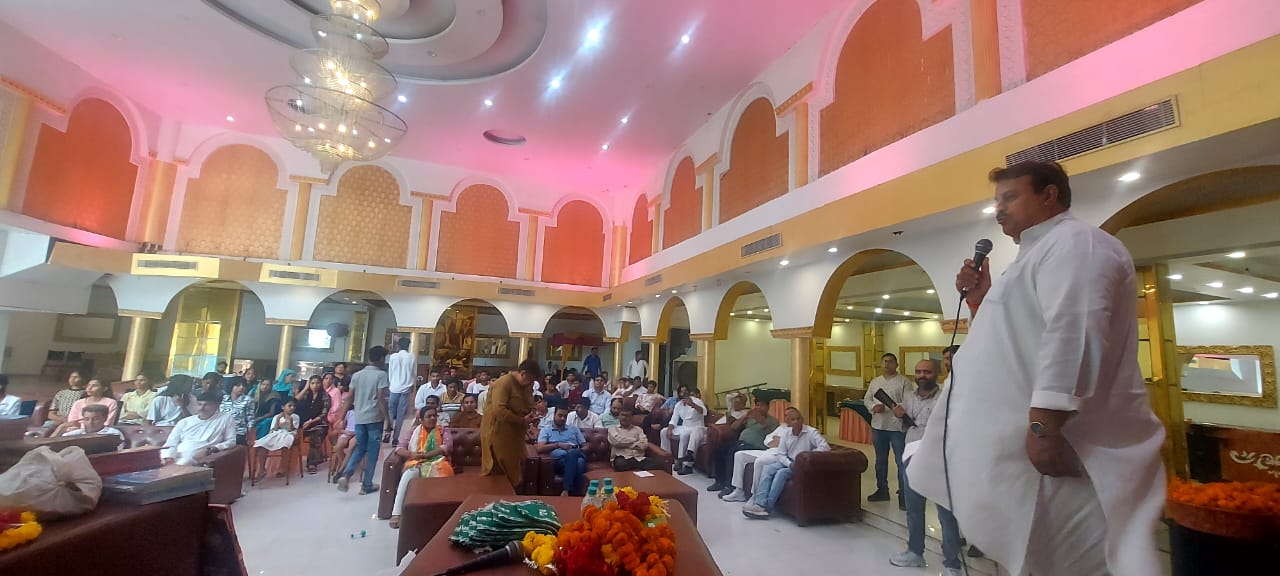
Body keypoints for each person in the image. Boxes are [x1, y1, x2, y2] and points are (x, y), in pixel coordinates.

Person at [909, 160, 1167, 576]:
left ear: (1049, 195)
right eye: (997, 200)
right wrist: (979, 300)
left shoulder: (1077, 244)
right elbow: (1013, 339)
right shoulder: (1031, 255)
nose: (999, 209)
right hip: (1024, 447)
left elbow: (1074, 334)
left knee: (1075, 561)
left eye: (1010, 197)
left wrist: (1045, 427)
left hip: (1064, 446)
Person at [888, 360, 962, 575]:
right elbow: (905, 427)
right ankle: (915, 552)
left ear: (937, 375)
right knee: (914, 509)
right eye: (919, 371)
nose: (922, 375)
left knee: (946, 513)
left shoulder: (946, 397)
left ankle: (952, 564)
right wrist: (899, 416)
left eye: (927, 372)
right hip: (911, 455)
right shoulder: (909, 397)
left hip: (939, 458)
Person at [741, 407, 830, 519]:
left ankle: (767, 507)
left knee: (781, 473)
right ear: (788, 422)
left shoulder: (811, 432)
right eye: (793, 419)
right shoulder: (785, 433)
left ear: (802, 420)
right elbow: (781, 455)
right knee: (767, 469)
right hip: (788, 461)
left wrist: (807, 455)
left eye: (798, 419)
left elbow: (825, 447)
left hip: (802, 464)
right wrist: (789, 464)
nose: (796, 422)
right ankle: (759, 503)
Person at [336, 346, 391, 495]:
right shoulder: (381, 375)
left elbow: (349, 398)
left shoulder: (357, 375)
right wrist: (387, 419)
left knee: (360, 448)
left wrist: (341, 417)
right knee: (372, 452)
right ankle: (366, 485)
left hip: (359, 418)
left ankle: (347, 474)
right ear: (381, 358)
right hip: (374, 418)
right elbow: (381, 398)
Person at [481, 359, 543, 490]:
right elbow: (499, 410)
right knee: (500, 469)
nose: (531, 384)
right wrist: (522, 420)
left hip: (516, 434)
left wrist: (533, 413)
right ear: (523, 373)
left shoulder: (526, 385)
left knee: (516, 467)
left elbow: (529, 402)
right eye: (530, 380)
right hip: (499, 432)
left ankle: (512, 496)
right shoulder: (504, 383)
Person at [388, 406, 455, 529]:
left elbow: (447, 447)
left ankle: (441, 516)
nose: (433, 418)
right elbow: (399, 448)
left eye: (434, 416)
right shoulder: (414, 431)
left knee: (441, 474)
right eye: (429, 416)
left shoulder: (442, 430)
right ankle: (396, 513)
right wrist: (412, 455)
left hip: (437, 462)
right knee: (408, 475)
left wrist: (426, 455)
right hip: (416, 462)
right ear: (421, 420)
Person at [865, 352, 913, 509]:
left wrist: (892, 407)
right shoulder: (875, 382)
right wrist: (873, 407)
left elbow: (908, 401)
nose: (887, 364)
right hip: (879, 426)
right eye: (884, 361)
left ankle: (904, 495)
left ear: (896, 364)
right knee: (880, 461)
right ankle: (882, 490)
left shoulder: (904, 381)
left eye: (890, 361)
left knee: (901, 462)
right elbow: (867, 399)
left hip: (897, 428)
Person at [708, 394, 778, 494]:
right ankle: (719, 482)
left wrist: (762, 421)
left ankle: (729, 486)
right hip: (741, 443)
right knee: (719, 448)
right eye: (757, 405)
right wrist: (745, 416)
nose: (759, 408)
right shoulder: (751, 417)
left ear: (768, 407)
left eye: (762, 405)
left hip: (756, 447)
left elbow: (774, 437)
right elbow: (734, 427)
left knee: (733, 451)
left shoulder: (773, 421)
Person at [161, 391, 237, 466]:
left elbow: (231, 441)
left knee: (182, 464)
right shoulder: (185, 422)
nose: (201, 408)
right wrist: (169, 457)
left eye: (206, 405)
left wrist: (210, 450)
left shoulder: (225, 419)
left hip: (196, 457)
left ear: (216, 406)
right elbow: (171, 443)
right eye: (199, 404)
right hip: (175, 455)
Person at [536, 402, 588, 496]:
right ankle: (578, 495)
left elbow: (585, 446)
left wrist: (577, 450)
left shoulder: (574, 429)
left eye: (565, 416)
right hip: (559, 461)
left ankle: (567, 490)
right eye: (560, 415)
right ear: (554, 415)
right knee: (579, 463)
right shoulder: (546, 430)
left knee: (573, 453)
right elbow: (539, 448)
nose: (563, 418)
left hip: (576, 453)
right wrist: (558, 445)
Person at [661, 385, 706, 475]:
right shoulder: (678, 404)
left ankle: (681, 462)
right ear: (679, 394)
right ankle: (667, 458)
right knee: (664, 432)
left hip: (696, 427)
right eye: (681, 392)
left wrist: (692, 404)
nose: (684, 393)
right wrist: (670, 429)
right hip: (684, 427)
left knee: (684, 434)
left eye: (685, 391)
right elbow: (674, 419)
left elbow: (704, 412)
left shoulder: (697, 401)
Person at [252, 399, 299, 482]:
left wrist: (290, 421)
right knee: (262, 444)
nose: (292, 408)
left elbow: (290, 430)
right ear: (283, 407)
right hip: (276, 434)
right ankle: (262, 469)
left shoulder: (295, 417)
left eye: (294, 406)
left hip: (288, 435)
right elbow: (274, 429)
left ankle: (282, 468)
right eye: (289, 406)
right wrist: (278, 420)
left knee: (285, 444)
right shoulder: (277, 416)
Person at [608, 405, 664, 472]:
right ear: (619, 416)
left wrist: (626, 444)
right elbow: (617, 441)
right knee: (621, 464)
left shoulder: (638, 429)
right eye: (622, 415)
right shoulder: (612, 429)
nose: (624, 418)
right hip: (622, 458)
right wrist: (635, 440)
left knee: (655, 463)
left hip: (638, 458)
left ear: (632, 417)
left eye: (627, 416)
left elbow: (644, 444)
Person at [295, 375, 331, 474]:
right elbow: (295, 402)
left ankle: (312, 463)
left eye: (317, 383)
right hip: (302, 421)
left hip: (318, 422)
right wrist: (305, 388)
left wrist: (311, 421)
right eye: (312, 383)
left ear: (321, 384)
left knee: (316, 435)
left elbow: (323, 414)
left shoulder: (325, 396)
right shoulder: (305, 394)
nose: (315, 385)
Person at [387, 336, 416, 447]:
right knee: (400, 414)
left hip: (394, 387)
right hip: (406, 388)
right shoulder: (412, 357)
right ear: (408, 346)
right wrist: (412, 385)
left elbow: (390, 372)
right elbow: (413, 373)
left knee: (390, 411)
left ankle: (387, 433)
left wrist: (391, 383)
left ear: (398, 345)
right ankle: (395, 438)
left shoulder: (393, 356)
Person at [219, 377, 254, 446]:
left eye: (243, 385)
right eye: (238, 385)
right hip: (221, 429)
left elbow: (250, 418)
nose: (241, 387)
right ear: (231, 386)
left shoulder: (248, 400)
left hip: (238, 432)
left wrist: (249, 435)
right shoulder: (223, 398)